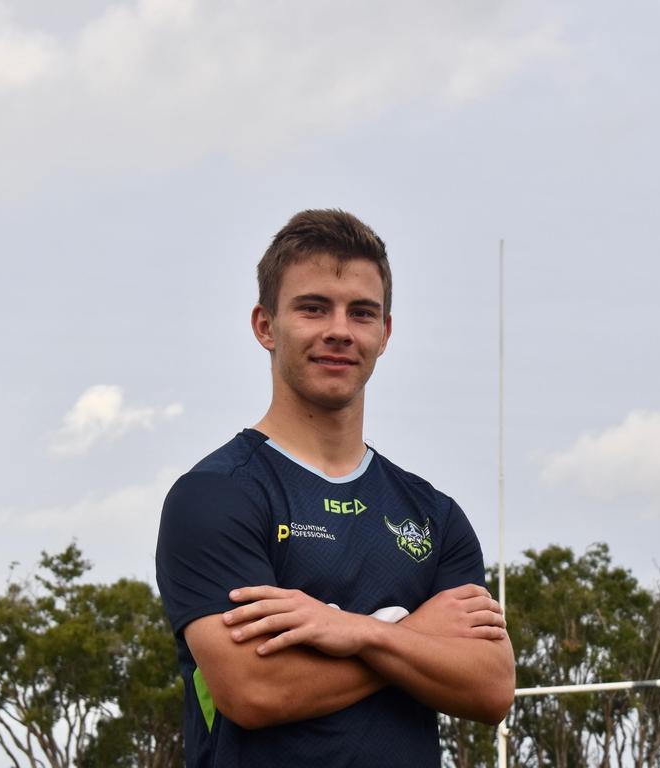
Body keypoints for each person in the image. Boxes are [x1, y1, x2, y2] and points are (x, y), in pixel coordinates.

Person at [155, 209, 515, 767]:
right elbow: (255, 689)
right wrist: (409, 631)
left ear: (385, 333)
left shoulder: (433, 515)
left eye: (362, 313)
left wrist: (351, 631)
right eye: (313, 307)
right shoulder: (215, 496)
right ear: (265, 326)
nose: (340, 331)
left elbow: (490, 687)